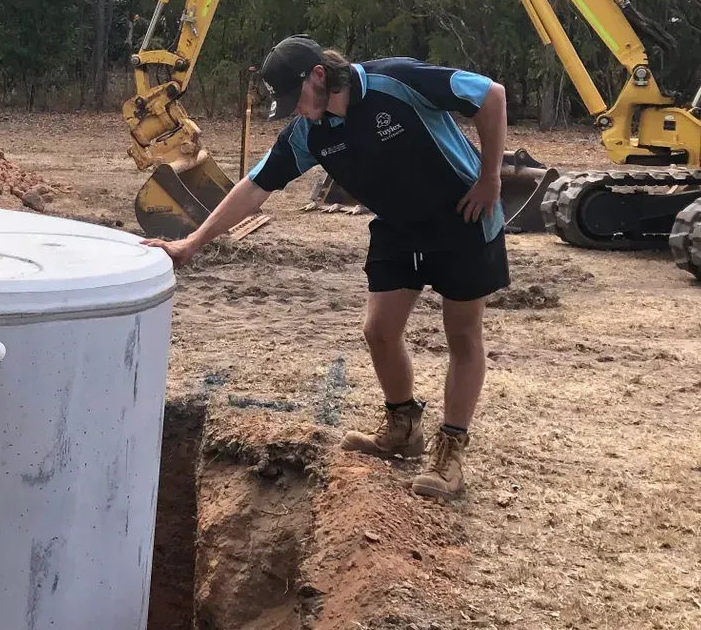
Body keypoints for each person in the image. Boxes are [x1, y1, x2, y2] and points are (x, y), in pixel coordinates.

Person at [147, 35, 509, 502]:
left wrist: (490, 178)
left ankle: (451, 450)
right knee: (379, 331)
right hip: (399, 227)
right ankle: (403, 428)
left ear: (319, 75)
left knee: (461, 335)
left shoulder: (396, 81)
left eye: (296, 99)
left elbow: (490, 95)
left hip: (464, 216)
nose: (297, 111)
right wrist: (192, 243)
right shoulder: (309, 132)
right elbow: (254, 188)